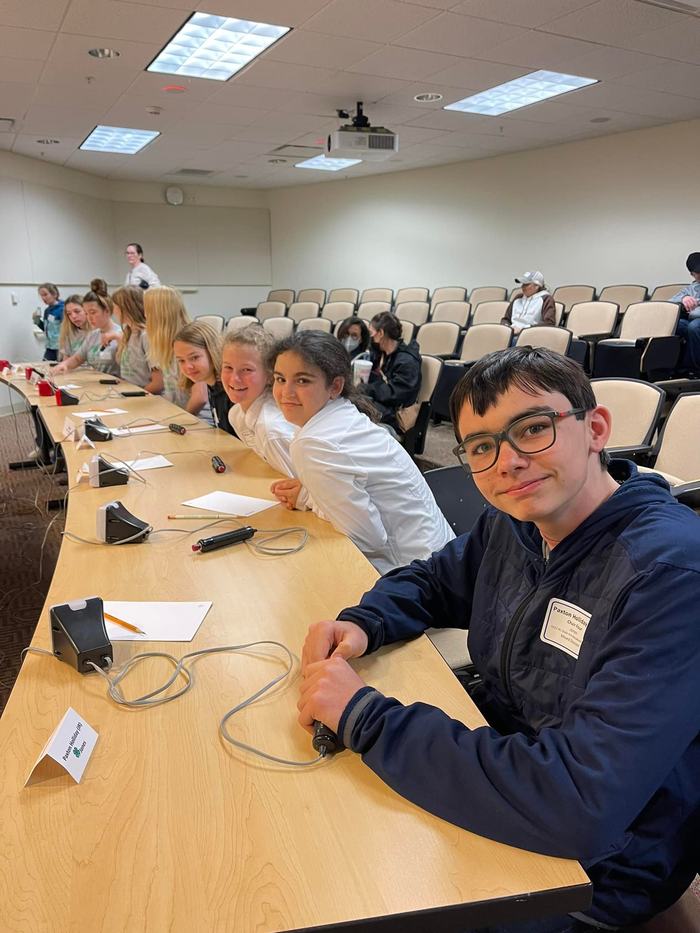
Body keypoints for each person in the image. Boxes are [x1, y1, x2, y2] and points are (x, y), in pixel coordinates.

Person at [297, 346, 700, 932]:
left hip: (604, 864)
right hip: (511, 763)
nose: (507, 462)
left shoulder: (669, 575)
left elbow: (579, 802)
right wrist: (363, 622)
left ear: (596, 429)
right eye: (482, 446)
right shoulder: (516, 525)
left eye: (533, 428)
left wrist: (366, 717)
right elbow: (432, 581)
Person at [270, 331, 453, 574]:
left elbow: (369, 538)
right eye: (280, 379)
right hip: (442, 559)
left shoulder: (314, 443)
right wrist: (309, 495)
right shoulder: (343, 415)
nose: (286, 392)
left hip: (416, 578)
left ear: (335, 386)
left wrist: (309, 499)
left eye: (302, 380)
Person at [222, 324, 299, 473]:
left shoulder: (271, 429)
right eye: (228, 367)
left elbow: (295, 485)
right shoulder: (236, 414)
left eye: (247, 370)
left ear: (270, 375)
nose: (234, 378)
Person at [361, 311, 421, 432]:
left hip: (397, 415)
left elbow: (395, 394)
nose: (370, 338)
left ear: (381, 333)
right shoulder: (382, 354)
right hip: (385, 406)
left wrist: (369, 388)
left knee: (357, 406)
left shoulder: (406, 361)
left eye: (371, 333)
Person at [173, 320, 235, 435]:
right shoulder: (212, 385)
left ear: (213, 351)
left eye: (195, 357)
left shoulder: (230, 390)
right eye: (181, 360)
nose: (188, 366)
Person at [51, 289, 121, 376]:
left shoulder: (120, 335)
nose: (89, 318)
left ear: (107, 311)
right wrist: (64, 364)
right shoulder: (93, 335)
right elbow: (77, 358)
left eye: (93, 312)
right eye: (87, 313)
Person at [143, 286, 191, 408]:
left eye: (147, 311)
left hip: (195, 418)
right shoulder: (162, 343)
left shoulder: (188, 343)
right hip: (173, 411)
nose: (145, 315)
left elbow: (200, 398)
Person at [110, 286, 162, 392]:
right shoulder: (127, 333)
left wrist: (134, 395)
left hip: (146, 397)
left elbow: (158, 383)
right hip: (130, 393)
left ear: (126, 308)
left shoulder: (146, 335)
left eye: (115, 306)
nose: (113, 310)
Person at [669, 251, 700, 374]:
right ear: (692, 274)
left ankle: (695, 368)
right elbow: (669, 303)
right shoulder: (691, 288)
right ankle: (671, 367)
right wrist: (683, 299)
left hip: (696, 322)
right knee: (673, 325)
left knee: (694, 327)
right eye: (698, 272)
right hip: (691, 320)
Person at [501, 271, 556, 336]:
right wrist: (507, 328)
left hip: (530, 334)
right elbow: (506, 319)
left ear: (537, 286)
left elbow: (549, 323)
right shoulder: (518, 298)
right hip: (510, 332)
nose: (522, 287)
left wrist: (524, 329)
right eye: (522, 284)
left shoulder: (546, 299)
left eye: (526, 284)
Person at [35, 283, 64, 362]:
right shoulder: (47, 311)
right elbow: (46, 329)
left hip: (61, 348)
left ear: (54, 294)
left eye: (45, 294)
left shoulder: (63, 309)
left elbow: (67, 330)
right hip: (50, 347)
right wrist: (36, 320)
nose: (43, 298)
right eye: (41, 295)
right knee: (45, 368)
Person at [58, 294, 90, 360]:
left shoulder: (97, 332)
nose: (73, 316)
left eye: (77, 311)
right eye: (69, 313)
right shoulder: (69, 332)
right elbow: (66, 359)